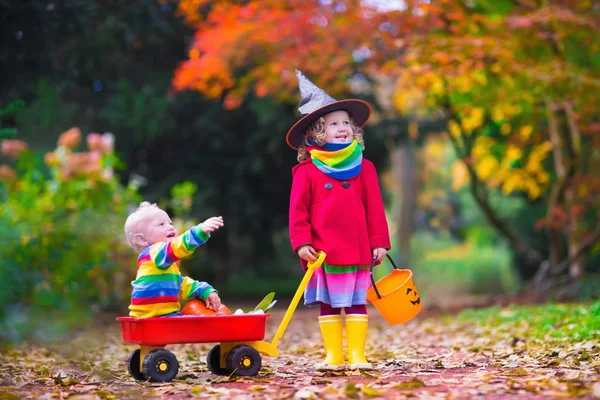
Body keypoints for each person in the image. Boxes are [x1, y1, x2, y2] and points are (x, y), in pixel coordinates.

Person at [287, 71, 391, 371]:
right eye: (334, 124)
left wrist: (379, 243)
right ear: (317, 133)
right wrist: (302, 243)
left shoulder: (365, 167)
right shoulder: (307, 170)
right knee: (329, 303)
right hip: (323, 250)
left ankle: (357, 354)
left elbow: (375, 207)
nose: (343, 128)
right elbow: (298, 211)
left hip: (357, 247)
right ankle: (334, 355)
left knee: (357, 301)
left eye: (346, 122)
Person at [124, 201, 223, 318]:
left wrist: (204, 290)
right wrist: (198, 232)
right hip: (150, 318)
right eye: (161, 224)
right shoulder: (154, 252)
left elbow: (181, 284)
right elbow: (176, 247)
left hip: (164, 317)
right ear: (142, 239)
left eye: (170, 223)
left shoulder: (164, 264)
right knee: (198, 322)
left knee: (196, 320)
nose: (170, 226)